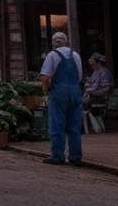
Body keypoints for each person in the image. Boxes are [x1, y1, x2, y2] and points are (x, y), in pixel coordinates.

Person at [40, 32, 85, 165]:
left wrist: (45, 89)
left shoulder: (52, 55)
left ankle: (58, 155)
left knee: (57, 124)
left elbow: (45, 76)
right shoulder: (76, 55)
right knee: (74, 126)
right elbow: (80, 76)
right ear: (66, 41)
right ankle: (75, 157)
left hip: (58, 91)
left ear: (54, 42)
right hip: (75, 91)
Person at [84, 53, 113, 118]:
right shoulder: (95, 71)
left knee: (82, 105)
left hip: (98, 97)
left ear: (98, 62)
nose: (90, 61)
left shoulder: (104, 72)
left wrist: (94, 92)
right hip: (90, 95)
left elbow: (107, 88)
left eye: (92, 60)